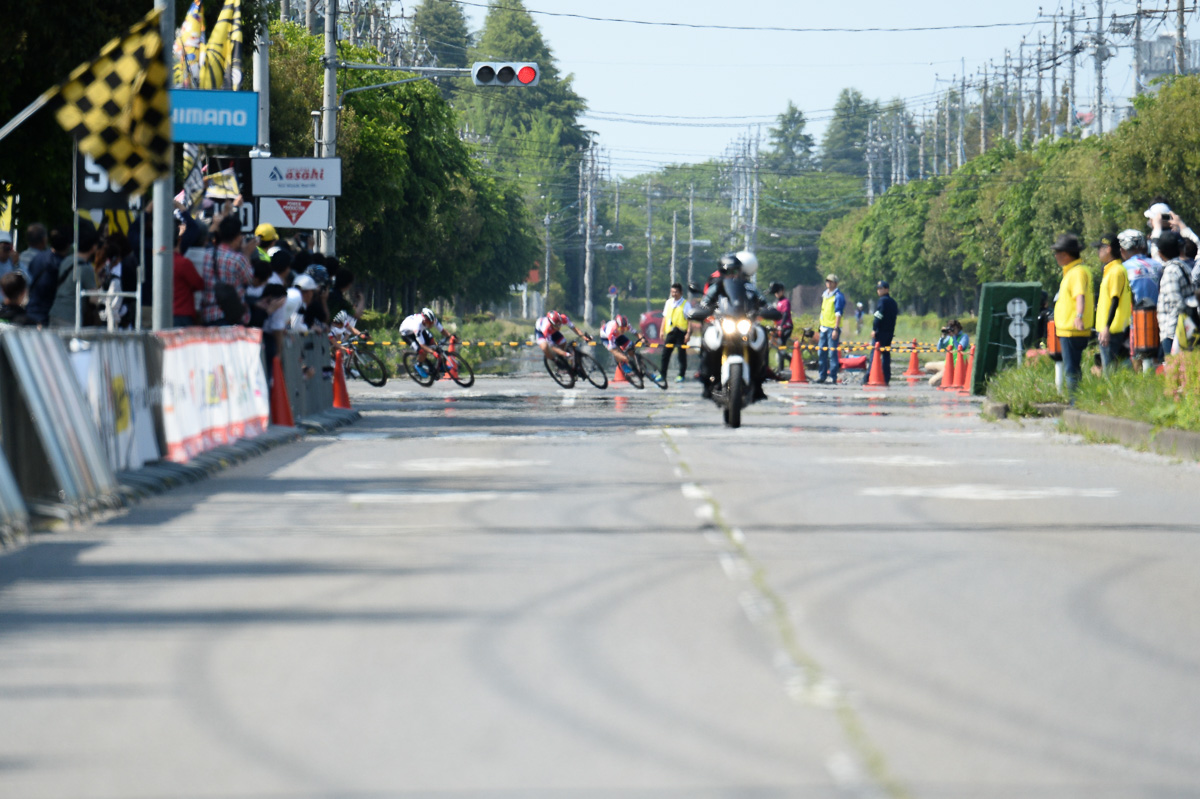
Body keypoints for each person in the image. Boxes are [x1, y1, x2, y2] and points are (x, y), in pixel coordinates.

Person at [689, 251, 773, 401]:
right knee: (708, 337)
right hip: (723, 323)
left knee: (761, 334)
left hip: (744, 323)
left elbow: (762, 301)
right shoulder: (717, 287)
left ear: (740, 272)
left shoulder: (748, 287)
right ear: (721, 272)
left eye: (734, 271)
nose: (731, 275)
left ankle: (760, 378)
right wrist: (701, 310)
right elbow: (705, 302)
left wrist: (768, 309)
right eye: (726, 271)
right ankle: (706, 376)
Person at [1051, 233, 1094, 394]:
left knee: (1071, 369)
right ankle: (1076, 399)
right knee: (1072, 367)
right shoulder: (1075, 271)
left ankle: (1074, 401)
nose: (1055, 256)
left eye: (1057, 253)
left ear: (1066, 254)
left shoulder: (1076, 272)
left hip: (1072, 329)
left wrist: (1079, 316)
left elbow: (1079, 295)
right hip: (1069, 328)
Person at [198, 215, 253, 326]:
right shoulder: (238, 259)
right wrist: (247, 253)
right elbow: (251, 281)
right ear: (238, 237)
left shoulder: (205, 255)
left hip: (207, 315)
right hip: (231, 316)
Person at [1094, 232, 1132, 371]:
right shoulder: (1113, 270)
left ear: (1108, 248)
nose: (1098, 252)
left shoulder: (1115, 271)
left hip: (1111, 329)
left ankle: (1112, 393)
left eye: (1100, 248)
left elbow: (1115, 300)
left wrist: (1106, 327)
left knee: (1110, 371)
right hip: (1114, 328)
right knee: (1118, 367)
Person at [24, 224, 74, 326]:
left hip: (31, 309)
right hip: (48, 314)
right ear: (68, 245)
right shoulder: (65, 265)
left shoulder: (38, 258)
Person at [1155, 231, 1193, 356]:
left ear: (1160, 253)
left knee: (1174, 369)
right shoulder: (1183, 266)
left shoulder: (1170, 271)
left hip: (1173, 330)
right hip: (1185, 327)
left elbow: (1176, 301)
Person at [400, 307, 447, 379]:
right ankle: (418, 366)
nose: (431, 325)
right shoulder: (417, 326)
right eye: (430, 323)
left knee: (432, 342)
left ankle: (440, 366)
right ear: (424, 320)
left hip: (420, 329)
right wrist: (433, 352)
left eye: (432, 323)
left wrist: (450, 336)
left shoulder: (432, 320)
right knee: (422, 351)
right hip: (407, 334)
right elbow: (422, 345)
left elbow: (442, 330)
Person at [865, 280, 898, 384]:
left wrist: (875, 329)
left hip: (880, 333)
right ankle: (886, 377)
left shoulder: (882, 301)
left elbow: (878, 316)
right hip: (889, 333)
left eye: (881, 288)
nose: (878, 290)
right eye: (878, 288)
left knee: (874, 355)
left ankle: (868, 377)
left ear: (886, 289)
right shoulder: (893, 302)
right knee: (886, 355)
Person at [816, 273, 846, 384]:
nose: (828, 283)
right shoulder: (825, 295)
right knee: (821, 353)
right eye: (827, 281)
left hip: (832, 328)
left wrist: (836, 329)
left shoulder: (838, 296)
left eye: (830, 281)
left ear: (835, 283)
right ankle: (822, 375)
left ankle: (833, 376)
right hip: (824, 327)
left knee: (832, 353)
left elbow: (838, 313)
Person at [1120, 229, 1161, 308]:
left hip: (1133, 316)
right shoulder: (1158, 265)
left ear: (1122, 249)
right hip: (1157, 315)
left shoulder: (1123, 268)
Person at [660, 283, 690, 382]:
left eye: (676, 292)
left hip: (681, 332)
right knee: (665, 354)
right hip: (670, 332)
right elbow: (664, 317)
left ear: (681, 292)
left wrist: (688, 333)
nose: (674, 294)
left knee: (681, 354)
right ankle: (662, 375)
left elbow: (690, 320)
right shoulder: (668, 302)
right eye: (672, 292)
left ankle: (681, 375)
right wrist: (661, 330)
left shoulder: (686, 304)